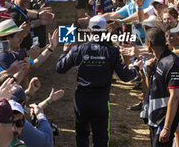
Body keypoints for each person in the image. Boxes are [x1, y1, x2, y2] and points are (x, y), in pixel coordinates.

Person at [56, 15, 141, 147]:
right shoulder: (112, 52)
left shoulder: (77, 50)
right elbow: (125, 76)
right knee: (101, 138)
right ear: (105, 31)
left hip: (82, 100)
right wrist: (136, 68)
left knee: (81, 135)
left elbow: (60, 68)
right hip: (100, 100)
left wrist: (64, 51)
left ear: (89, 30)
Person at [142, 27, 179, 147]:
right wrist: (147, 73)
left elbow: (175, 96)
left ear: (149, 44)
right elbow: (149, 92)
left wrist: (167, 127)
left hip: (163, 121)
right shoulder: (157, 61)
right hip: (154, 119)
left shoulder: (171, 62)